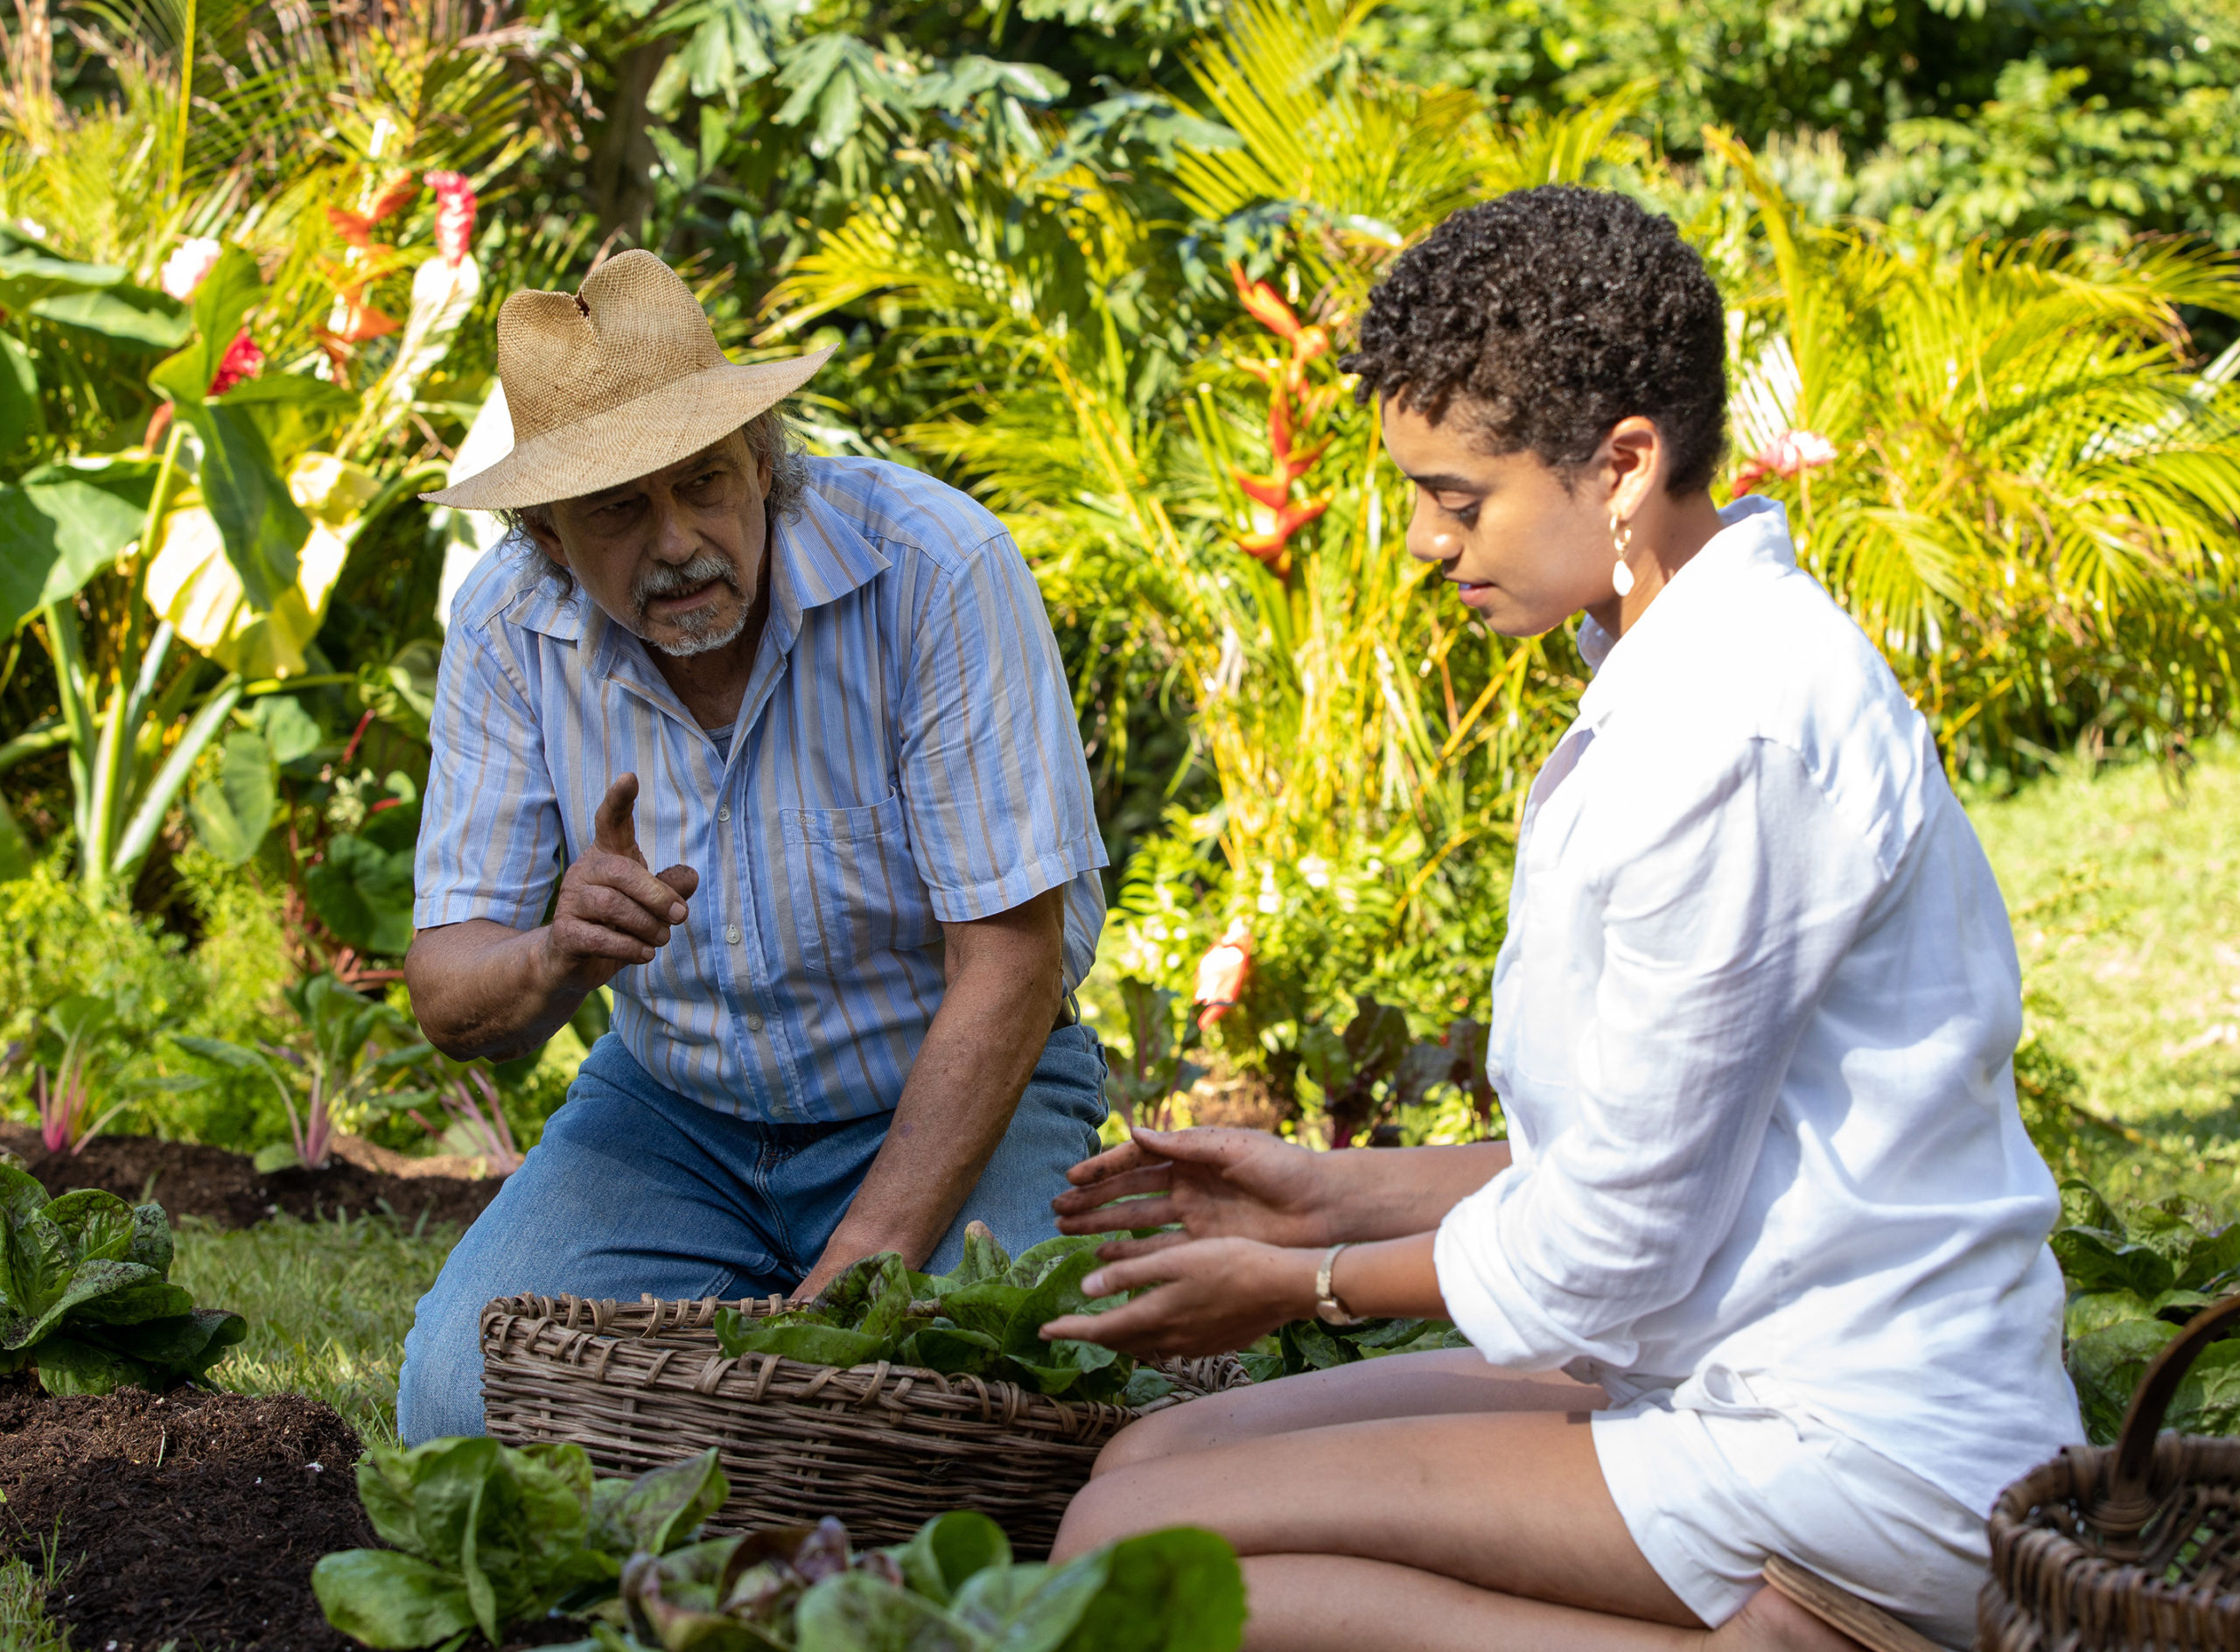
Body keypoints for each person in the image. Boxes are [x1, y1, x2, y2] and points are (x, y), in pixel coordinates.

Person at [1037, 186, 2082, 1652]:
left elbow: (1605, 1249)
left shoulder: (1733, 727)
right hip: (1722, 1368)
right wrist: (1317, 1190)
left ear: (1624, 464)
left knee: (1130, 1549)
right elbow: (1630, 1160)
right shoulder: (1677, 668)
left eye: (1456, 498)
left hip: (1859, 1437)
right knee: (1141, 1470)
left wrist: (1302, 1286)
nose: (1418, 542)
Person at [394, 251, 1110, 1442]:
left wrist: (842, 1298)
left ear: (764, 464)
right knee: (464, 1407)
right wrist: (556, 957)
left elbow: (1011, 966)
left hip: (948, 1094)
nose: (679, 542)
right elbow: (450, 992)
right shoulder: (507, 622)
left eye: (706, 484)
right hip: (672, 1117)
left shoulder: (935, 569)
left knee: (1009, 1412)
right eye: (622, 508)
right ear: (549, 540)